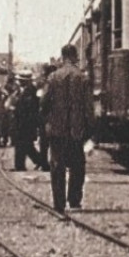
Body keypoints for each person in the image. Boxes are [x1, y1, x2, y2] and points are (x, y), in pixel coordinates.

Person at [41, 43, 92, 212]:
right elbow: (88, 107)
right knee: (78, 164)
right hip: (77, 129)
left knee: (57, 165)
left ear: (63, 57)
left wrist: (46, 120)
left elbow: (44, 102)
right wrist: (90, 129)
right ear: (75, 56)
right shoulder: (83, 77)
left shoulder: (53, 77)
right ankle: (75, 200)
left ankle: (59, 203)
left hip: (57, 128)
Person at [9, 73, 47, 173]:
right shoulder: (24, 90)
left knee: (22, 144)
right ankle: (39, 162)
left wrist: (15, 108)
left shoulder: (30, 91)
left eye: (21, 80)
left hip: (26, 122)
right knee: (26, 145)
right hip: (24, 122)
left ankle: (21, 166)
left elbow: (27, 107)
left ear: (25, 81)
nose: (19, 81)